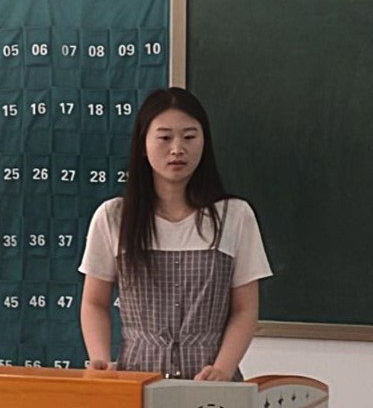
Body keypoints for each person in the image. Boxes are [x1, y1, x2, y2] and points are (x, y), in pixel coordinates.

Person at [79, 87, 272, 381]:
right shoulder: (113, 216)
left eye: (189, 137)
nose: (177, 149)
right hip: (137, 380)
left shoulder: (234, 215)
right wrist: (100, 360)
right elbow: (94, 302)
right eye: (165, 137)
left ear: (204, 142)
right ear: (143, 144)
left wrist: (222, 369)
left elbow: (245, 308)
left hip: (211, 384)